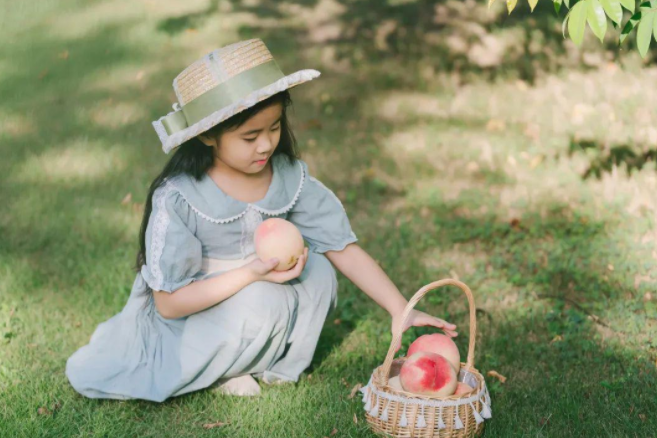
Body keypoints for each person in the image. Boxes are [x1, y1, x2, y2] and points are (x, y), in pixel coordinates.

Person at [65, 38, 458, 403]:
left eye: (273, 128)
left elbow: (344, 248)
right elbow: (169, 305)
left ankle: (274, 368)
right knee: (265, 301)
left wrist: (400, 310)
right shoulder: (182, 197)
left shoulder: (287, 177)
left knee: (319, 271)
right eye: (250, 136)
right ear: (207, 136)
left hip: (261, 287)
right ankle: (223, 368)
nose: (267, 144)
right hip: (199, 312)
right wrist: (252, 273)